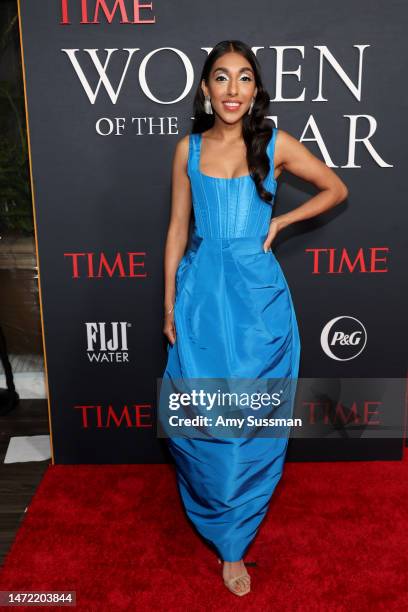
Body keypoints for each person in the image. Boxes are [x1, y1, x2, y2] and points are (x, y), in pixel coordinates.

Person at [160, 40, 348, 597]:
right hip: (199, 300)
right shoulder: (187, 150)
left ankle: (234, 544)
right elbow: (176, 228)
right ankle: (216, 513)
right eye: (222, 78)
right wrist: (168, 302)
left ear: (256, 89)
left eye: (244, 78)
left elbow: (336, 187)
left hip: (255, 301)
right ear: (205, 89)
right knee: (203, 418)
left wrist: (280, 223)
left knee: (250, 424)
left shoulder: (276, 142)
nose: (233, 90)